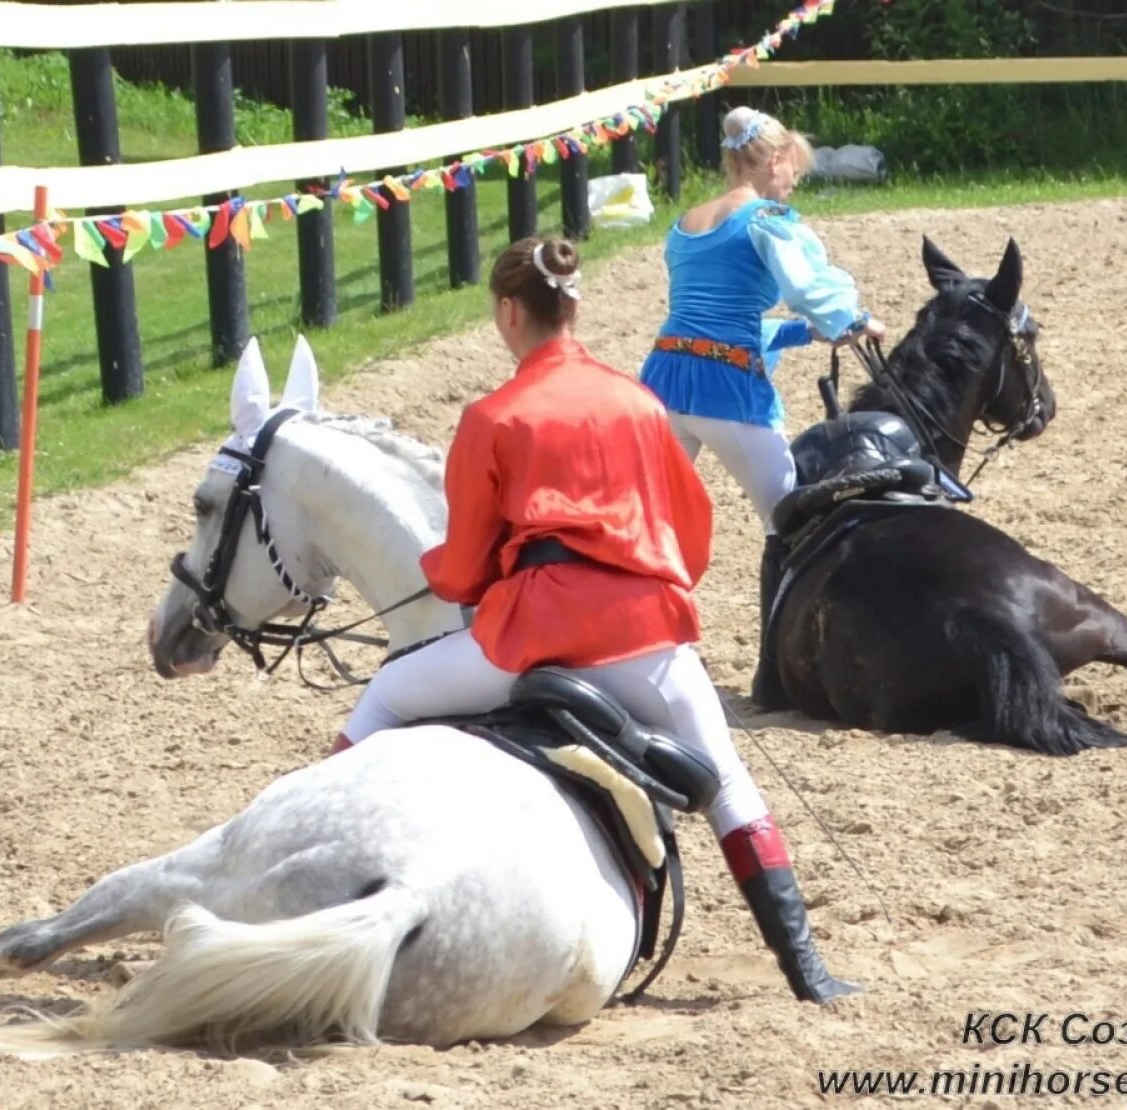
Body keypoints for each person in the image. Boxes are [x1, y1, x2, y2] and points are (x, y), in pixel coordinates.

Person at [332, 236, 858, 1005]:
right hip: (644, 639)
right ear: (574, 306)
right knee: (730, 788)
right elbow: (693, 527)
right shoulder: (641, 403)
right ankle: (808, 972)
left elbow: (469, 564)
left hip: (529, 639)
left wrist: (441, 574)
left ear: (510, 312)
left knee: (385, 696)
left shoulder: (493, 416)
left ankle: (313, 857)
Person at [639, 106, 887, 710]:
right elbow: (809, 286)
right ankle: (782, 660)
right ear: (773, 160)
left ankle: (631, 642)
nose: (794, 181)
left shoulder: (687, 224)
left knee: (652, 523)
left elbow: (711, 324)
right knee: (792, 523)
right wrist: (849, 320)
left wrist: (805, 335)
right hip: (728, 392)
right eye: (792, 169)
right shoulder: (769, 218)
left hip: (666, 383)